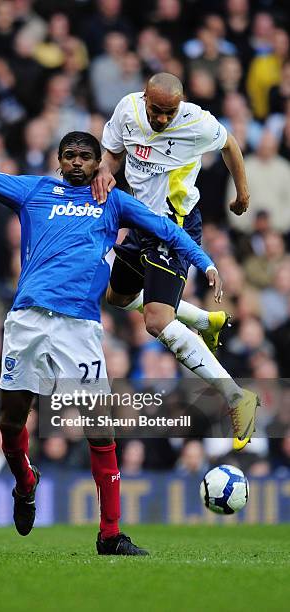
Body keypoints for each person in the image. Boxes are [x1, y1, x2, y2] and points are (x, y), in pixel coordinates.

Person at [0, 114, 220, 556]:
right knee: (11, 422)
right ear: (58, 161)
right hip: (27, 321)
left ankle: (110, 534)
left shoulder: (114, 202)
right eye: (69, 156)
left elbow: (167, 228)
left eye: (85, 157)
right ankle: (25, 481)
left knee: (100, 429)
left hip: (80, 327)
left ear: (98, 164)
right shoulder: (33, 191)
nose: (77, 163)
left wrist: (204, 262)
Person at [91, 72, 258, 451]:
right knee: (116, 298)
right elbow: (115, 151)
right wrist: (104, 168)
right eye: (157, 110)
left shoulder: (195, 121)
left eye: (170, 112)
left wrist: (242, 192)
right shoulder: (128, 110)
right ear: (144, 98)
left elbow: (229, 143)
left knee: (156, 321)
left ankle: (237, 397)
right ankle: (203, 319)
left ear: (179, 106)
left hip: (173, 225)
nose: (163, 119)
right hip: (139, 222)